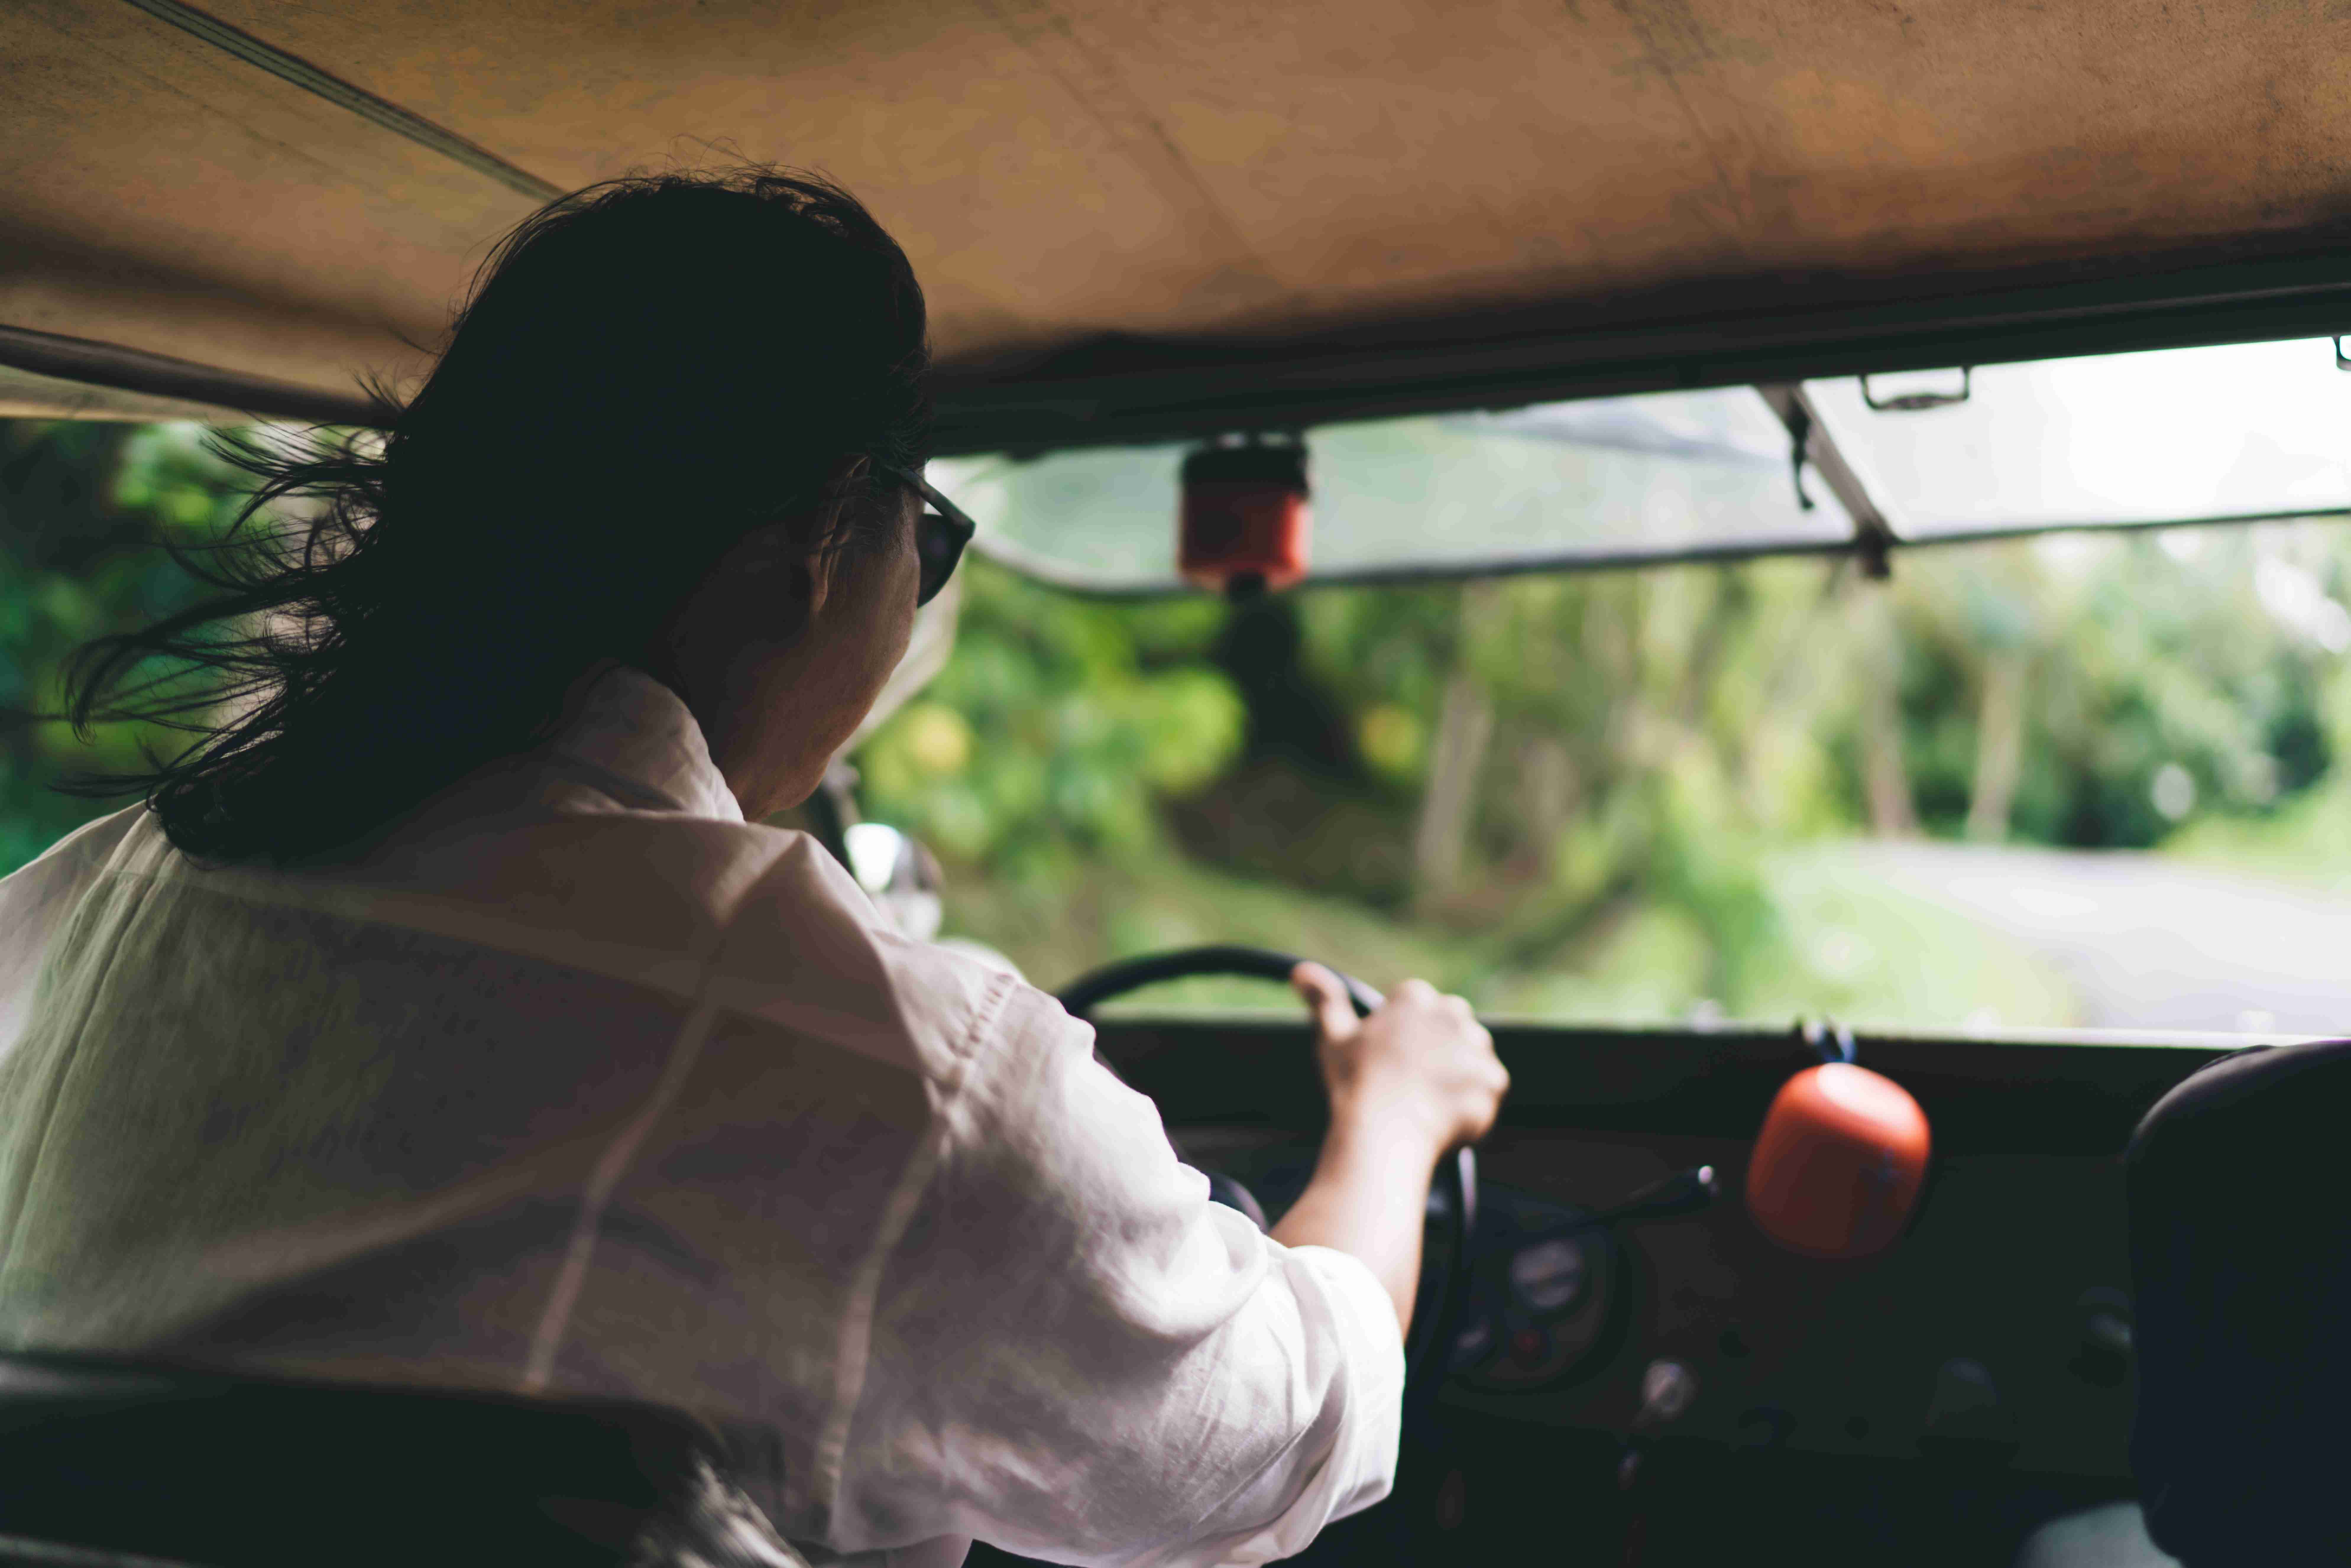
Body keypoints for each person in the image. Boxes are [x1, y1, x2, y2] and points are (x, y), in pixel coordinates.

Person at [0, 170, 1508, 1568]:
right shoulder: (901, 1068)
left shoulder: (87, 904)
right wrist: (1394, 1115)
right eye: (925, 534)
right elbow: (1280, 1441)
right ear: (814, 545)